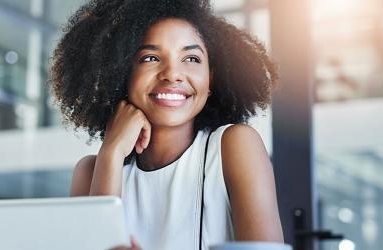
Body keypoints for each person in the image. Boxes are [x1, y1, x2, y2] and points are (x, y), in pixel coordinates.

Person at [49, 0, 284, 249]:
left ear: (211, 77)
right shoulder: (91, 172)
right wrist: (112, 153)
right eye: (150, 57)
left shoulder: (234, 146)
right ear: (119, 73)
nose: (172, 73)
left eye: (191, 58)